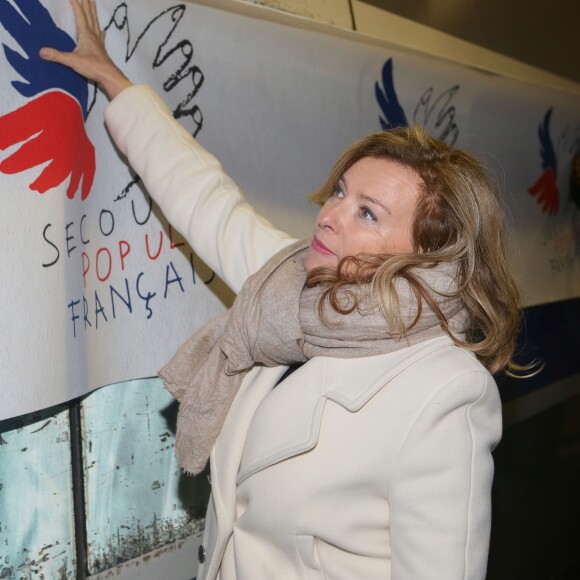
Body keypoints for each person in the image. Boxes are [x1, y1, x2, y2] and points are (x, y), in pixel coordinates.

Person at [41, 1, 524, 578]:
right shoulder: (289, 289)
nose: (330, 216)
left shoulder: (446, 392)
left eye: (367, 213)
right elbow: (205, 199)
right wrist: (117, 83)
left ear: (426, 253)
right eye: (341, 192)